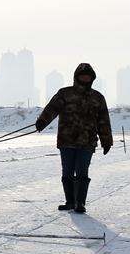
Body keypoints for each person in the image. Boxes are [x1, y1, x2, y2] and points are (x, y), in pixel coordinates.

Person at [35, 63, 112, 214]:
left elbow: (103, 121)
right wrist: (42, 121)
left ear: (92, 78)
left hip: (87, 141)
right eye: (82, 75)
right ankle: (70, 201)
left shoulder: (98, 98)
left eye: (88, 75)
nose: (85, 77)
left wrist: (106, 140)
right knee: (67, 172)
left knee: (82, 171)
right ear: (77, 77)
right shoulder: (65, 93)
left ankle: (80, 202)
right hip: (66, 140)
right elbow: (52, 109)